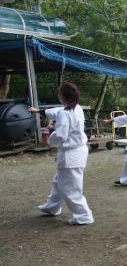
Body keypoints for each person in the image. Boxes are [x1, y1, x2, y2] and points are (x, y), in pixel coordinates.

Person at [29, 82, 94, 225]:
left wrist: (51, 133)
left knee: (71, 188)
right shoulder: (77, 108)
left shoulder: (65, 114)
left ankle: (84, 216)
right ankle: (52, 207)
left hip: (71, 155)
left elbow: (60, 136)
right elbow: (56, 111)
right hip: (76, 152)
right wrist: (39, 111)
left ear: (62, 96)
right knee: (58, 182)